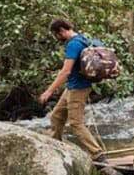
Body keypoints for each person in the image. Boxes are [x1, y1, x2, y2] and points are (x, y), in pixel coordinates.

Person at [39, 18, 106, 161]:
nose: (57, 38)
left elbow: (66, 71)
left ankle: (98, 154)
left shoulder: (74, 45)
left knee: (76, 123)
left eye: (56, 35)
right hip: (72, 87)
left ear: (62, 31)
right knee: (56, 116)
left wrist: (49, 91)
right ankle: (56, 145)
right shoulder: (82, 38)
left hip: (78, 89)